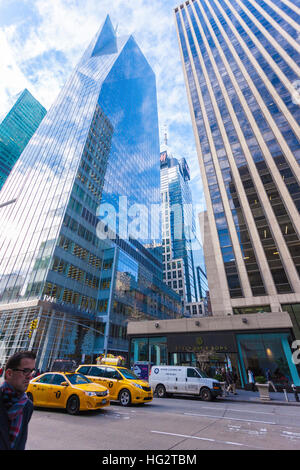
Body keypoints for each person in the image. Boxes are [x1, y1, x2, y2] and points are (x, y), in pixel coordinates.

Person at [0, 351, 36, 450]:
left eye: (32, 371)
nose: (30, 376)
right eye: (25, 371)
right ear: (9, 374)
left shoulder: (27, 406)